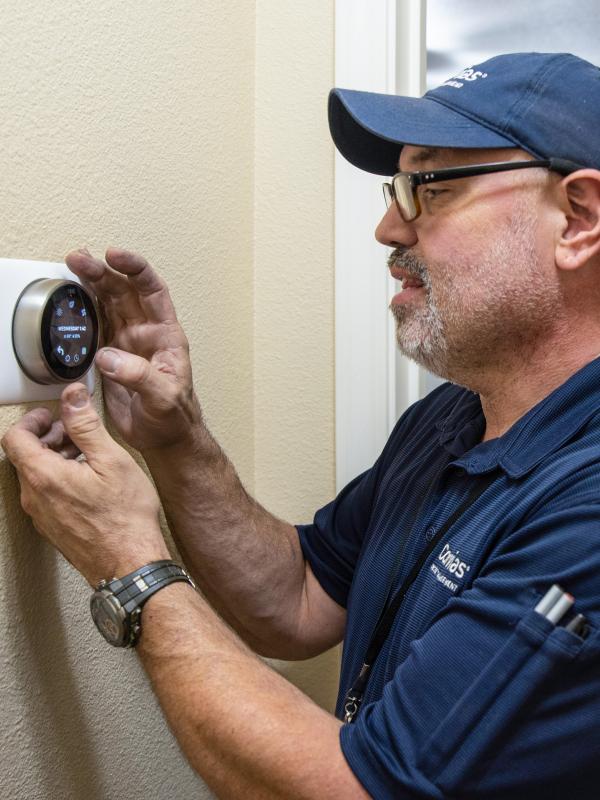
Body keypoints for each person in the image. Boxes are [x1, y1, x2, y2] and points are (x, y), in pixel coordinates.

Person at [2, 50, 600, 799]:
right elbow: (299, 598)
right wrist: (175, 440)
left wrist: (129, 562)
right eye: (395, 188)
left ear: (578, 218)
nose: (388, 229)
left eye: (428, 187)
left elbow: (361, 789)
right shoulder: (452, 418)